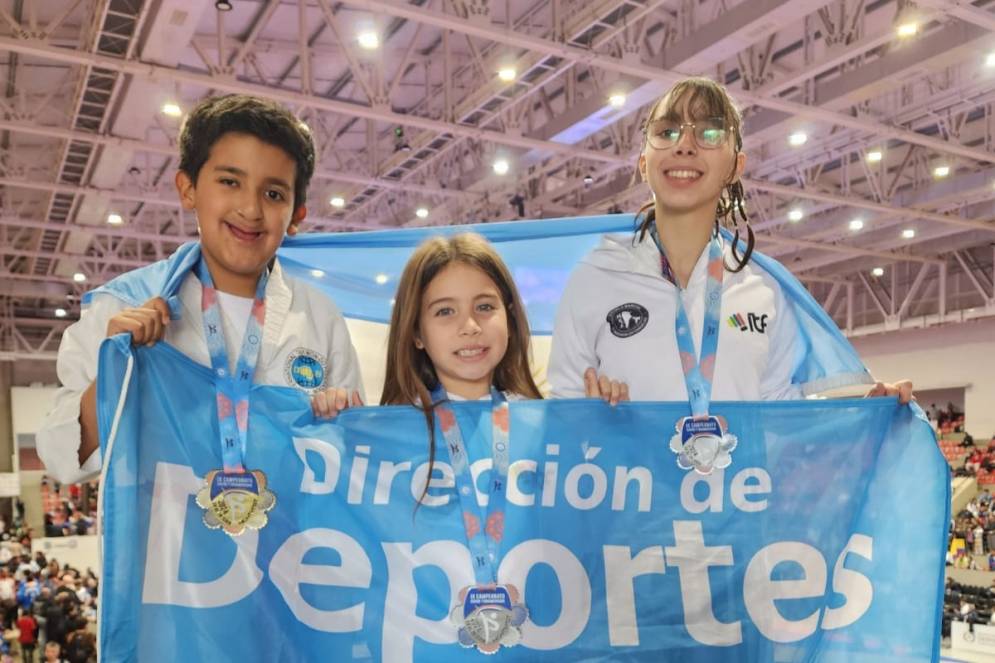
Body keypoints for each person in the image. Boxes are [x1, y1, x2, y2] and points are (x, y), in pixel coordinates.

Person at [36, 94, 364, 485]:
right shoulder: (124, 304)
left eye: (274, 194)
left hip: (288, 523)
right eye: (230, 182)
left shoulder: (319, 316)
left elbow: (353, 460)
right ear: (188, 188)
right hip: (167, 524)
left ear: (296, 215)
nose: (251, 209)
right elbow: (61, 458)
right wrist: (115, 373)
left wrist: (343, 423)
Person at [549, 77, 912, 405]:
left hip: (738, 464)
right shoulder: (596, 276)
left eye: (709, 133)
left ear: (736, 166)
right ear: (644, 163)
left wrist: (864, 412)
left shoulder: (765, 288)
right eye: (667, 132)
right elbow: (563, 407)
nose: (684, 145)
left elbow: (777, 408)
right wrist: (593, 418)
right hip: (630, 464)